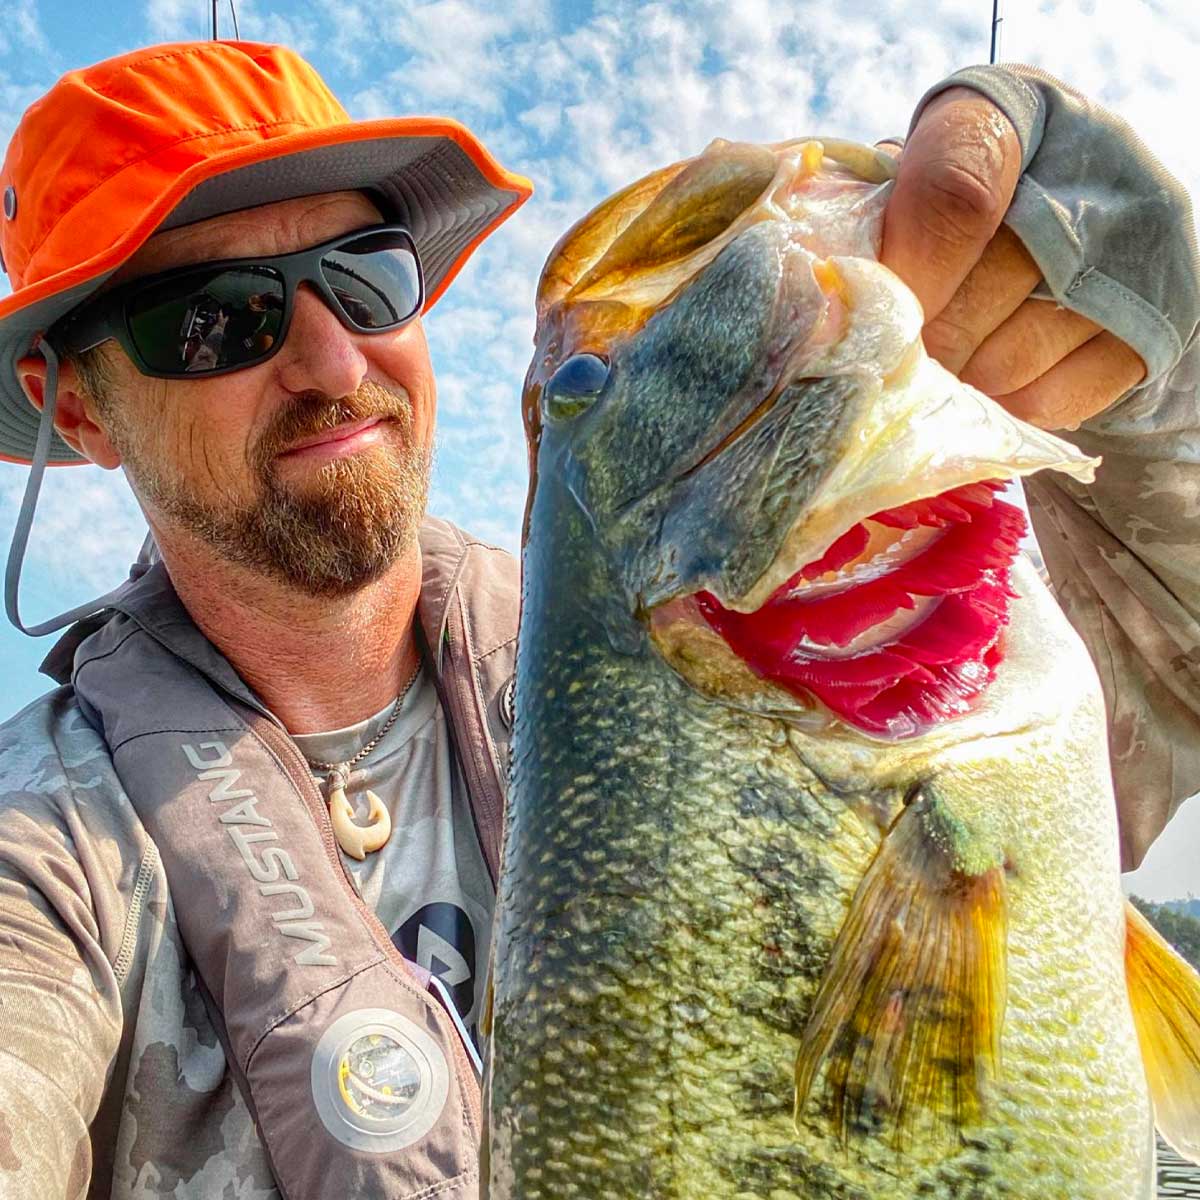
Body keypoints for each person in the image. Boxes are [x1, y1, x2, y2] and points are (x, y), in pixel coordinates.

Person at [0, 38, 1194, 1200]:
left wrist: (1159, 376)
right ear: (80, 411)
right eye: (212, 316)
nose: (329, 357)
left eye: (368, 274)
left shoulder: (651, 654)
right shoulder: (45, 863)